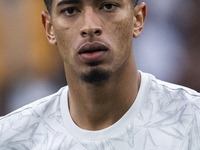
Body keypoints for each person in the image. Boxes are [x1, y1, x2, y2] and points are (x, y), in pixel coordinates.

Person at [0, 0, 200, 149]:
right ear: (49, 28)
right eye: (70, 10)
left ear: (137, 19)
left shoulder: (194, 120)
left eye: (108, 6)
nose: (89, 27)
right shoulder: (11, 138)